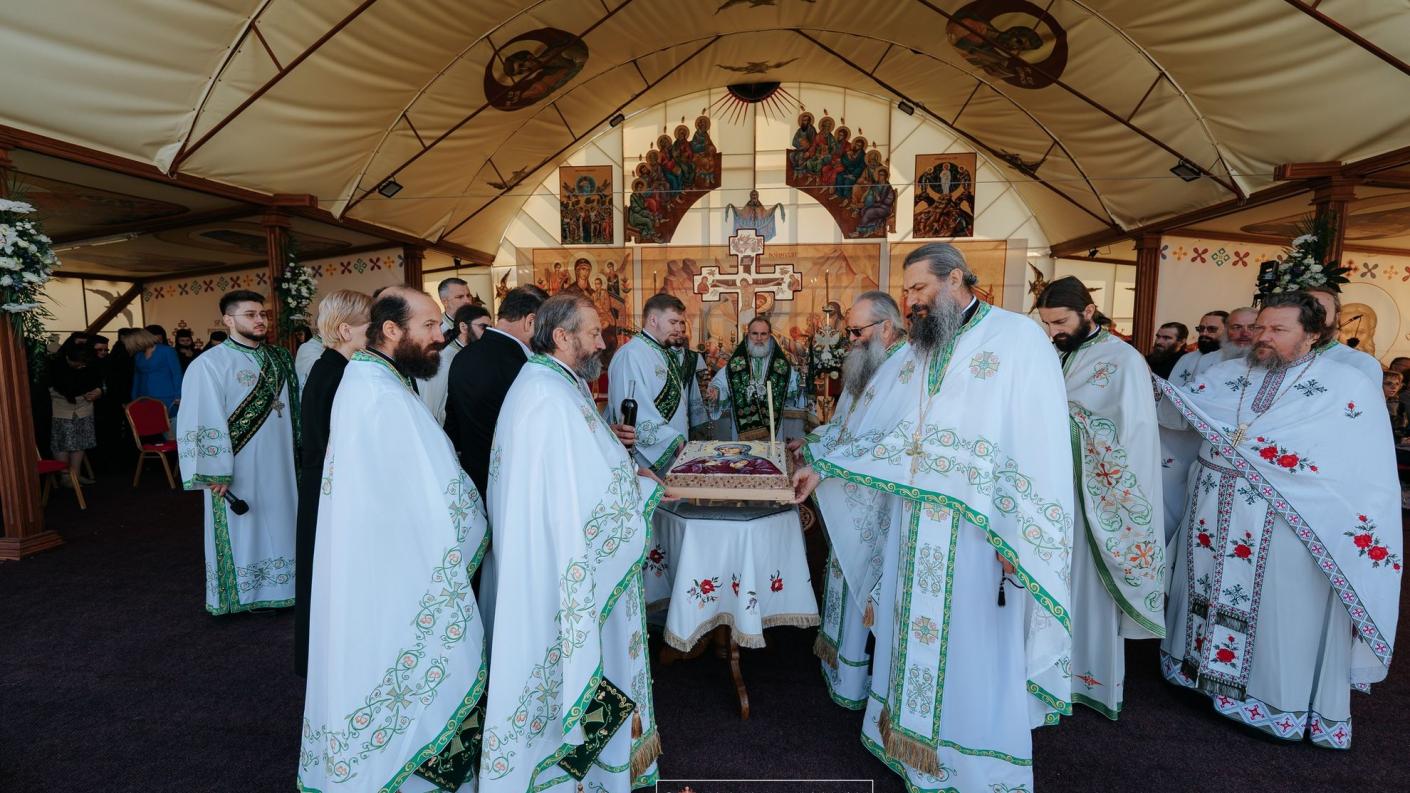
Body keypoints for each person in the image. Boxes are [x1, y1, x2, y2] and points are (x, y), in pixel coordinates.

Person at [792, 243, 1073, 792]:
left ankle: (970, 764)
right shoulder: (915, 352)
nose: (911, 302)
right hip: (913, 523)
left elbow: (1039, 444)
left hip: (978, 533)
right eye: (907, 292)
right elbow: (883, 433)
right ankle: (907, 741)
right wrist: (824, 467)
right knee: (906, 628)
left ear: (957, 279)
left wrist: (1019, 535)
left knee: (972, 644)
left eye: (919, 289)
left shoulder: (1017, 340)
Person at [1153, 292, 1401, 749]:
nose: (1262, 337)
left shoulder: (1345, 385)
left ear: (1313, 334)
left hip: (1285, 519)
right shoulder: (1226, 373)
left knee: (1279, 609)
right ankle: (1199, 677)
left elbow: (1358, 468)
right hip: (1211, 509)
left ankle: (1269, 702)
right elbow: (1176, 413)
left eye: (1277, 329)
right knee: (1202, 588)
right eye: (1260, 327)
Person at [299, 287, 490, 793]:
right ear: (390, 330)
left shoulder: (374, 378)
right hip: (399, 566)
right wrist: (481, 519)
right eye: (428, 325)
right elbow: (435, 489)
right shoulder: (379, 393)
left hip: (385, 557)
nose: (440, 334)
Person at [479, 294, 664, 792]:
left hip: (554, 559)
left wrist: (620, 461)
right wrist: (641, 490)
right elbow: (585, 496)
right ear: (562, 337)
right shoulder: (548, 395)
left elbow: (575, 471)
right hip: (560, 568)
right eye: (594, 332)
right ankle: (575, 777)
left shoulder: (556, 383)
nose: (602, 342)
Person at [1036, 276, 1165, 720]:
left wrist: (1057, 420)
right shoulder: (1053, 352)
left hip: (1096, 500)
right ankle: (1043, 672)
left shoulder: (1123, 360)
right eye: (1046, 323)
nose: (1053, 331)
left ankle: (1085, 679)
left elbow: (1131, 436)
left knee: (1087, 588)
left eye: (1060, 322)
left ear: (1088, 311)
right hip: (1051, 493)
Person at [802, 290, 906, 710]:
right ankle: (843, 671)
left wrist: (825, 467)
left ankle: (861, 677)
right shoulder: (867, 365)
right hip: (851, 492)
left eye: (856, 331)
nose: (850, 340)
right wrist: (810, 443)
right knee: (845, 577)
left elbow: (889, 442)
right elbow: (843, 430)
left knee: (869, 589)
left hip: (878, 500)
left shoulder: (905, 370)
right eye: (848, 332)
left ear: (886, 327)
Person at [176, 290, 299, 615]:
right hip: (237, 467)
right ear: (228, 320)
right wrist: (213, 470)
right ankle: (246, 596)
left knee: (283, 518)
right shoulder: (209, 364)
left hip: (282, 462)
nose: (260, 320)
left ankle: (286, 588)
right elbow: (201, 417)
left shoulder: (280, 358)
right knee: (244, 528)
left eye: (263, 314)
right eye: (250, 314)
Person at [293, 289, 370, 677]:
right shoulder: (336, 373)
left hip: (322, 481)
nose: (376, 333)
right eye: (370, 325)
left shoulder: (334, 367)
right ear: (344, 330)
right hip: (327, 486)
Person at [445, 285, 546, 498]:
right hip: (513, 483)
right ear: (530, 322)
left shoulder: (462, 357)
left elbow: (452, 424)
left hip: (472, 479)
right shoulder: (525, 367)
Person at [606, 293, 707, 473]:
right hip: (648, 462)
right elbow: (633, 414)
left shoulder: (662, 352)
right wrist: (672, 441)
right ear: (653, 320)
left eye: (681, 323)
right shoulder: (631, 355)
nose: (679, 329)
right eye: (673, 322)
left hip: (672, 454)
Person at [1160, 309, 1230, 539]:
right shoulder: (1186, 358)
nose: (1204, 334)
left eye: (1212, 329)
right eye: (1201, 329)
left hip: (1203, 440)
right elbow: (1171, 396)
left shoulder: (1227, 362)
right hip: (1174, 439)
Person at [705, 317, 804, 441]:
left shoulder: (780, 364)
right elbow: (722, 381)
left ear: (770, 335)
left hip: (773, 429)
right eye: (755, 334)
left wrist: (802, 382)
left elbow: (794, 384)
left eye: (763, 334)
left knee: (772, 452)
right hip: (742, 429)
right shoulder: (737, 362)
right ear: (748, 335)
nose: (759, 338)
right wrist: (716, 391)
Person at [418, 303, 489, 426]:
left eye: (490, 328)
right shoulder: (444, 360)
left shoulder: (470, 354)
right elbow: (432, 406)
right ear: (463, 327)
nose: (488, 334)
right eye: (483, 327)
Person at [48, 338, 103, 484]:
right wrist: (80, 392)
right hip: (61, 406)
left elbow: (100, 380)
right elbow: (60, 386)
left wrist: (98, 391)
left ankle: (76, 474)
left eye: (83, 365)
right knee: (62, 441)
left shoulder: (90, 364)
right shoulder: (56, 365)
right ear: (68, 358)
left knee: (81, 441)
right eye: (77, 364)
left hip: (84, 406)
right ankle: (65, 476)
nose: (81, 367)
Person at [1304, 286, 1384, 385]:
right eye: (1307, 309)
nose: (1314, 315)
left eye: (1322, 310)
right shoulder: (1287, 355)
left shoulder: (1364, 363)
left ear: (1337, 317)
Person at [127, 328, 183, 417]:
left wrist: (178, 395)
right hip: (143, 396)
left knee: (167, 423)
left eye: (134, 343)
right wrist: (134, 397)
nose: (133, 346)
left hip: (166, 396)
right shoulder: (138, 355)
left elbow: (177, 374)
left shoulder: (167, 351)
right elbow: (137, 377)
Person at [1384, 369, 1408, 443]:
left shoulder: (1400, 405)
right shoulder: (1372, 402)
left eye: (1397, 384)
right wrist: (1399, 440)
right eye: (1388, 383)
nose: (1394, 387)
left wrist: (1403, 438)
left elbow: (1402, 427)